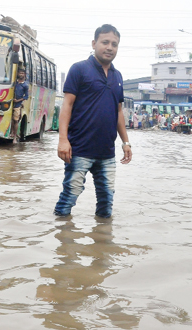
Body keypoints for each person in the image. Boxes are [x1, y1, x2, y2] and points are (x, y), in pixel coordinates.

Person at [54, 24, 132, 218]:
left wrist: (126, 142)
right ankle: (62, 240)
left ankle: (102, 243)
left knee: (106, 203)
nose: (110, 47)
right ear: (94, 43)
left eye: (114, 44)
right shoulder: (79, 69)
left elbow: (119, 111)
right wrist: (63, 140)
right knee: (69, 197)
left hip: (107, 152)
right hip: (79, 149)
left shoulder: (118, 76)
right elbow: (67, 106)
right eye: (105, 42)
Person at [11, 68, 29, 142]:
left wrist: (17, 100)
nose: (21, 74)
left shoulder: (25, 85)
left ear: (24, 75)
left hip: (17, 105)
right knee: (11, 119)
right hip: (10, 103)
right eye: (20, 73)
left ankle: (15, 137)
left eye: (22, 73)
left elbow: (26, 96)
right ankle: (12, 132)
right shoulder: (14, 83)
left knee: (16, 120)